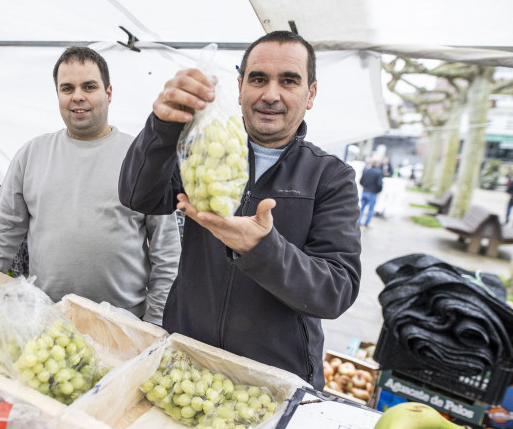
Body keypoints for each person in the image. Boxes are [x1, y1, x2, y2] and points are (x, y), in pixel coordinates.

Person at [118, 31, 361, 389]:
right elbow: (138, 195)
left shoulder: (329, 177)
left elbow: (335, 290)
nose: (270, 94)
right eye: (258, 79)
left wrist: (262, 249)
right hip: (187, 363)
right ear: (240, 86)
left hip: (271, 381)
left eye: (289, 81)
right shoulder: (204, 148)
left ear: (310, 94)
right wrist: (164, 125)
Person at [0, 47, 181, 325]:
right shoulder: (32, 154)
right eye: (67, 88)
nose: (78, 96)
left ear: (108, 93)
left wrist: (155, 323)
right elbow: (2, 232)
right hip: (46, 322)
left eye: (89, 86)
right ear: (58, 95)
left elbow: (166, 252)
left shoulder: (142, 157)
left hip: (124, 325)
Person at [358, 158, 384, 228]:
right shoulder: (378, 172)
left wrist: (365, 187)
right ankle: (366, 223)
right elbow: (379, 184)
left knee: (361, 208)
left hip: (365, 191)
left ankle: (358, 222)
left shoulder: (366, 170)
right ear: (378, 164)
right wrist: (378, 191)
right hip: (373, 193)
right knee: (370, 209)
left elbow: (361, 181)